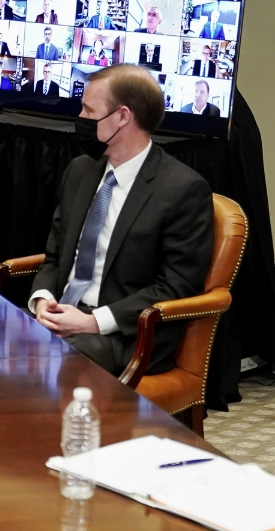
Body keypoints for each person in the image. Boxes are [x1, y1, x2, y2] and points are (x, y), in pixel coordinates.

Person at [30, 64, 213, 377]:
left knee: (37, 364)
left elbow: (176, 286)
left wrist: (93, 321)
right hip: (65, 314)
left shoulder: (182, 189)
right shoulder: (80, 171)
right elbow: (55, 256)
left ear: (122, 117)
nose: (80, 117)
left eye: (89, 110)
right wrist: (43, 300)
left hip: (126, 335)